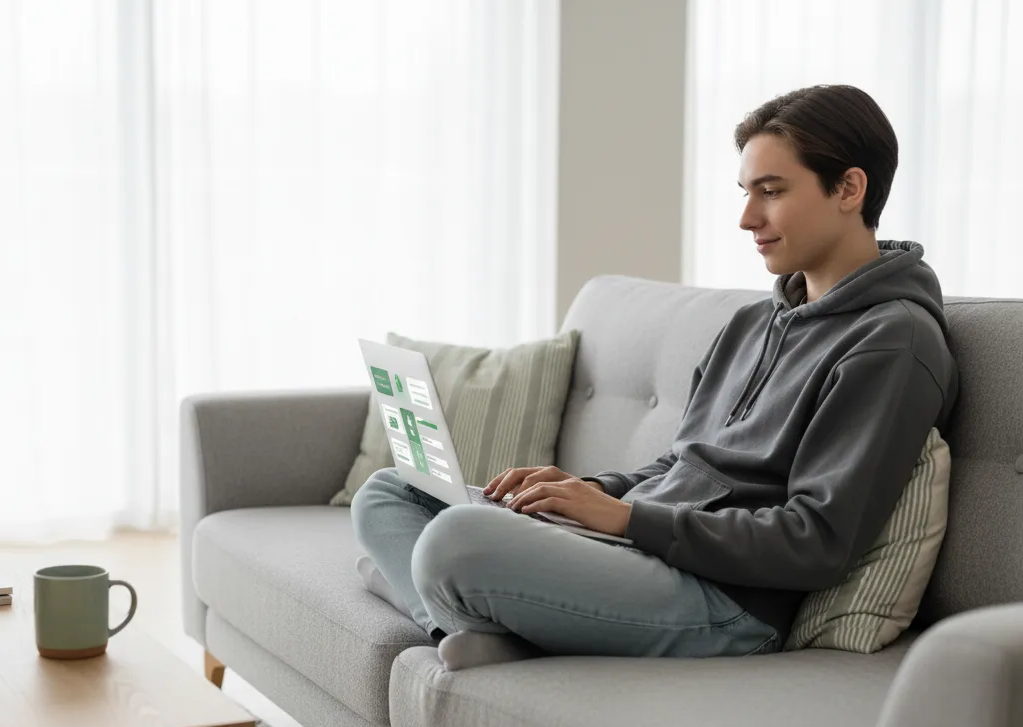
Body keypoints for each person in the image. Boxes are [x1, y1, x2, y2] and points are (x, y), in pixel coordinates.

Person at [351, 84, 959, 670]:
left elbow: (815, 540)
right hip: (640, 550)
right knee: (392, 494)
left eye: (771, 191)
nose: (748, 217)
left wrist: (625, 519)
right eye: (746, 192)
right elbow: (681, 465)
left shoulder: (893, 343)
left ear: (850, 188)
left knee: (454, 540)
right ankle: (473, 626)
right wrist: (585, 492)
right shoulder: (753, 323)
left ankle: (463, 609)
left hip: (728, 603)